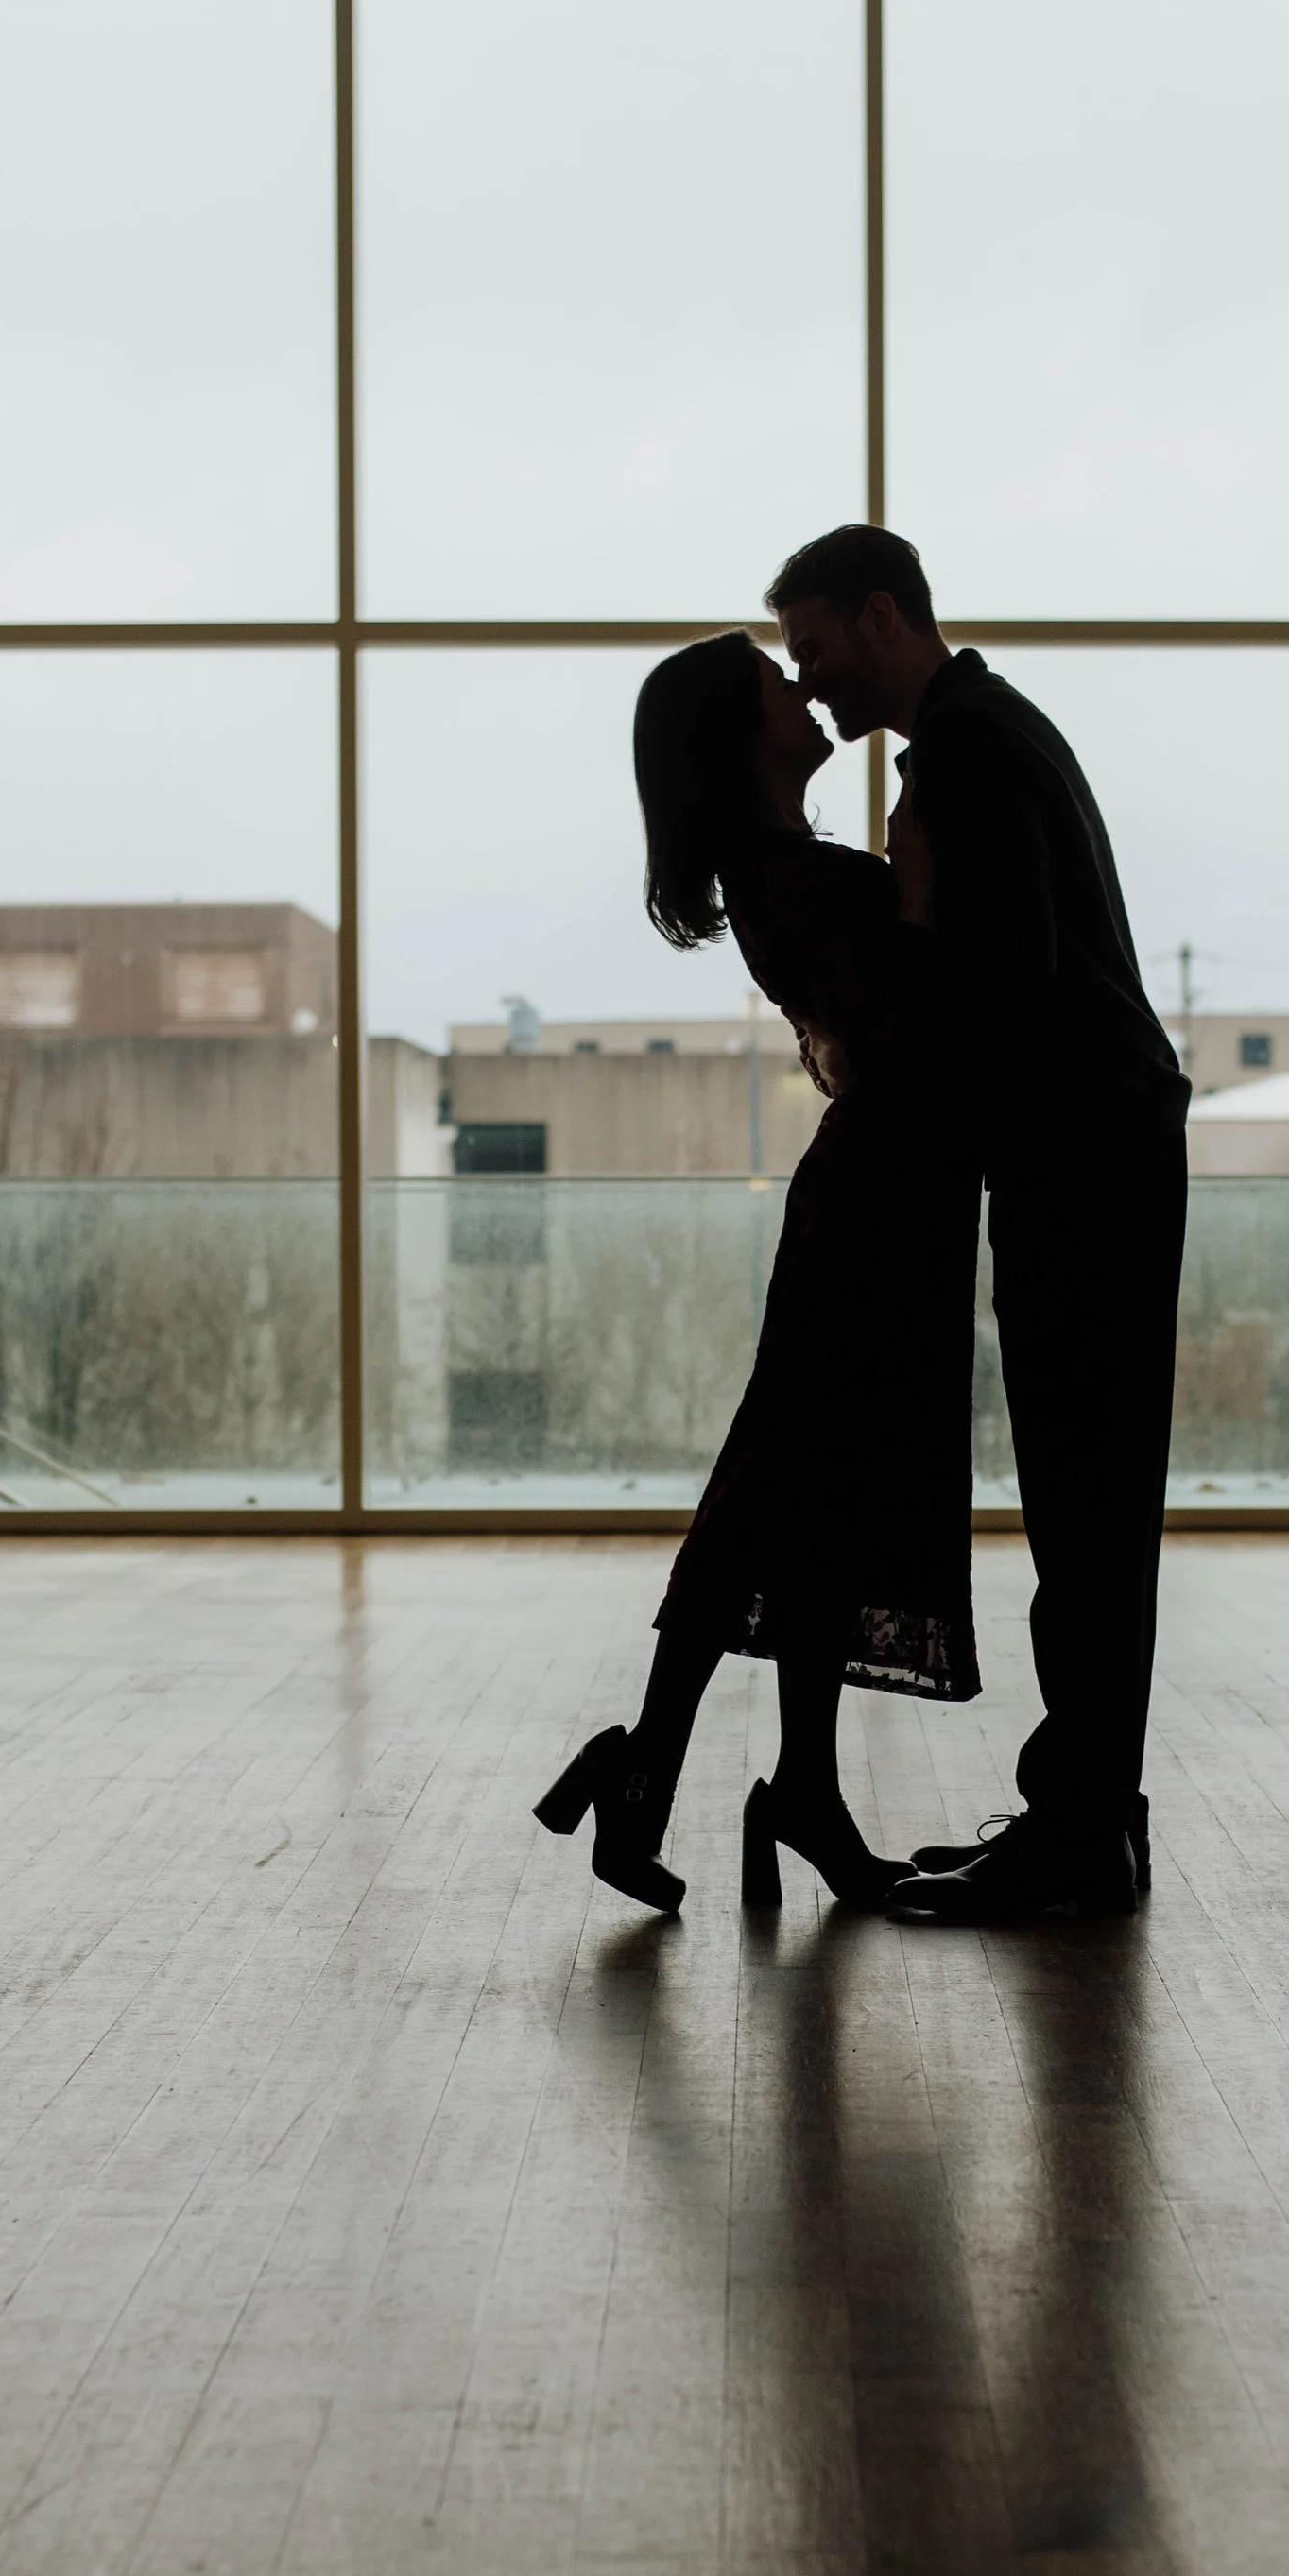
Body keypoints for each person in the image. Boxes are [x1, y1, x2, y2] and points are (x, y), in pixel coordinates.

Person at [766, 524, 1189, 1924]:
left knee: (1086, 1500)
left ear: (884, 617)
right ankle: (1084, 1818)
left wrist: (917, 912)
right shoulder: (989, 733)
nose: (810, 682)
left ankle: (1079, 1838)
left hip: (1083, 1154)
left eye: (817, 645)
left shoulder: (967, 756)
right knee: (1090, 1501)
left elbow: (1008, 980)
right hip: (1097, 1146)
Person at [535, 630, 981, 1914]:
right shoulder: (780, 877)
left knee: (809, 1495)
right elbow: (897, 1026)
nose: (804, 691)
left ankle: (704, 1777)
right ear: (744, 739)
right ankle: (724, 1779)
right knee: (785, 1490)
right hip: (878, 1204)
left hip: (888, 1196)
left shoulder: (777, 871)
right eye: (778, 687)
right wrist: (916, 880)